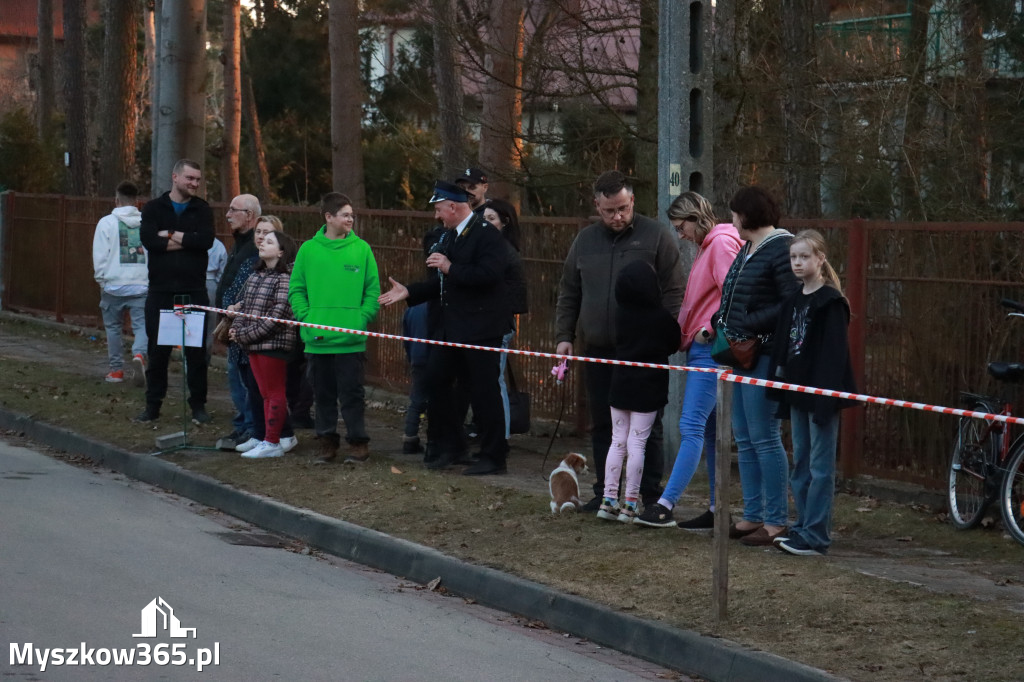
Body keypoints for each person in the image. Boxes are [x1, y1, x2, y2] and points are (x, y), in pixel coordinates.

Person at [554, 170, 684, 509]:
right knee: (603, 425)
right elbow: (569, 290)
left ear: (632, 202)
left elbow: (675, 290)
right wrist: (563, 336)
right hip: (598, 348)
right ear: (597, 205)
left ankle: (650, 495)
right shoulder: (584, 241)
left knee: (647, 428)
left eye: (623, 208)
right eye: (609, 210)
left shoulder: (656, 236)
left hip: (643, 352)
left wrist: (662, 329)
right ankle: (605, 494)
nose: (617, 217)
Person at [379, 180, 510, 475]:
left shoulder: (486, 236)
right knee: (436, 383)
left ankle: (493, 456)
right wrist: (409, 292)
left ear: (453, 207)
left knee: (484, 393)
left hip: (480, 330)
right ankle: (447, 446)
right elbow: (440, 285)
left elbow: (489, 275)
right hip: (450, 330)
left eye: (439, 210)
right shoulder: (449, 237)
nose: (437, 216)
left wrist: (451, 268)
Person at [636, 192, 743, 529]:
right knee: (708, 432)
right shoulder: (708, 246)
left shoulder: (721, 245)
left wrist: (709, 328)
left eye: (681, 226)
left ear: (696, 218)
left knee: (691, 426)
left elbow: (734, 291)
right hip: (700, 348)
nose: (680, 234)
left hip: (709, 349)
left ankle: (666, 503)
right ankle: (716, 509)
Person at [716, 186, 800, 547]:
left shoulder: (781, 249)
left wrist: (749, 323)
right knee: (745, 438)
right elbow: (733, 292)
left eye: (735, 213)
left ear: (747, 214)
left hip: (764, 353)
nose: (732, 219)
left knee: (765, 437)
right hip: (740, 352)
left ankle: (776, 519)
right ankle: (753, 514)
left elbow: (789, 303)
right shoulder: (748, 249)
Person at [769, 229, 857, 556]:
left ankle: (817, 535)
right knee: (801, 464)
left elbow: (834, 357)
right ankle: (803, 527)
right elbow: (784, 349)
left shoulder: (831, 302)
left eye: (804, 256)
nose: (797, 262)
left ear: (820, 259)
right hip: (796, 394)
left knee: (821, 468)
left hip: (821, 396)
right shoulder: (792, 300)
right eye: (793, 257)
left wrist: (825, 400)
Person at [289, 193, 380, 464]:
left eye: (352, 215)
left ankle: (358, 443)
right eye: (345, 214)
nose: (350, 219)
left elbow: (372, 290)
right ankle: (326, 442)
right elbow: (297, 289)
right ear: (328, 217)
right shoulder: (308, 250)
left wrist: (362, 317)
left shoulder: (362, 249)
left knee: (352, 395)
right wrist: (306, 317)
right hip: (317, 340)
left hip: (350, 341)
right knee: (323, 395)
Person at [596, 261, 681, 523]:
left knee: (617, 441)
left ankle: (609, 499)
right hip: (648, 388)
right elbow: (674, 342)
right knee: (638, 443)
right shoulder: (660, 317)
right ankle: (630, 503)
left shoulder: (621, 314)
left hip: (621, 384)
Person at [137, 159, 215, 424]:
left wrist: (168, 234)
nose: (194, 183)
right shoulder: (153, 208)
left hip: (193, 291)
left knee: (195, 353)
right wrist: (185, 239)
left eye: (197, 180)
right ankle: (153, 406)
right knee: (158, 351)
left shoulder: (202, 209)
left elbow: (204, 241)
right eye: (189, 178)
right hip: (160, 292)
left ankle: (198, 406)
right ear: (175, 177)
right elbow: (149, 241)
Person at [229, 230, 300, 459]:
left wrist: (246, 335)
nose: (262, 243)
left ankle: (272, 442)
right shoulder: (255, 275)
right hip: (253, 344)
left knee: (274, 393)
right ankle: (274, 436)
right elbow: (245, 307)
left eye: (270, 242)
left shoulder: (285, 278)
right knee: (263, 392)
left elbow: (279, 314)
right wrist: (237, 329)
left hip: (273, 344)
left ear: (281, 251)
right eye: (262, 240)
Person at [214, 194, 261, 448]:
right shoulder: (239, 244)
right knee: (235, 378)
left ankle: (252, 428)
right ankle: (242, 425)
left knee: (245, 379)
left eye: (234, 210)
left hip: (243, 326)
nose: (228, 214)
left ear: (250, 215)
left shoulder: (254, 247)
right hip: (231, 322)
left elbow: (247, 287)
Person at [92, 180, 147, 386]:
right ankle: (139, 355)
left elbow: (100, 255)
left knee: (113, 328)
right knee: (142, 326)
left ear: (117, 200)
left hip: (113, 284)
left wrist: (101, 280)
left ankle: (116, 371)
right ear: (137, 202)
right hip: (141, 284)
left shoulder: (106, 223)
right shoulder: (147, 223)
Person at [482, 198, 528, 441]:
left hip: (499, 325)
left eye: (491, 219)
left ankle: (501, 436)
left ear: (504, 223)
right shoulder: (491, 249)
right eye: (483, 219)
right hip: (487, 323)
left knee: (495, 381)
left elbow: (515, 297)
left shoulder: (505, 253)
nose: (485, 224)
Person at [205, 236, 227, 363]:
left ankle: (188, 361)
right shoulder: (217, 245)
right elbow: (222, 271)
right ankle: (205, 359)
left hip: (190, 282)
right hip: (211, 285)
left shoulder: (186, 239)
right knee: (210, 326)